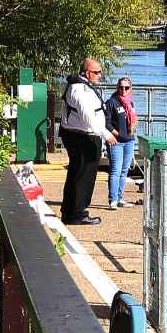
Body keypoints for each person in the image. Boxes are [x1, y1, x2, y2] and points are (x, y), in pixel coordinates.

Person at [60, 58, 115, 226]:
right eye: (97, 72)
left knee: (77, 173)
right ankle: (77, 213)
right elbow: (88, 117)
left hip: (80, 135)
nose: (100, 75)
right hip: (83, 137)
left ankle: (70, 211)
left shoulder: (80, 86)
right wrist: (106, 135)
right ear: (86, 72)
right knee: (83, 175)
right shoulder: (80, 90)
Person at [102, 76, 138, 210]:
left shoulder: (130, 103)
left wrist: (133, 125)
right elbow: (107, 123)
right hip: (116, 142)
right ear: (117, 88)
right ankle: (113, 200)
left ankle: (120, 198)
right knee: (115, 171)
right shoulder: (111, 102)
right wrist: (117, 134)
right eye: (121, 87)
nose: (123, 90)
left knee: (124, 171)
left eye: (126, 87)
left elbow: (132, 120)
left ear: (130, 89)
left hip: (129, 141)